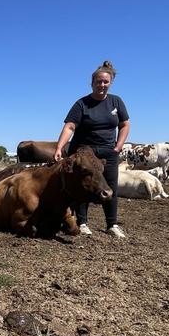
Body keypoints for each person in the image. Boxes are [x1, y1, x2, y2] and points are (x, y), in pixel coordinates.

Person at [53, 60, 130, 238]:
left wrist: (118, 145)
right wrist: (60, 147)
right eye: (98, 82)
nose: (102, 85)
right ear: (92, 83)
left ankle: (112, 224)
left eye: (105, 82)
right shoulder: (82, 104)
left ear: (110, 82)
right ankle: (82, 222)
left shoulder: (116, 102)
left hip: (108, 152)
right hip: (84, 152)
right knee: (83, 186)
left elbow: (125, 125)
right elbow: (70, 126)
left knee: (110, 187)